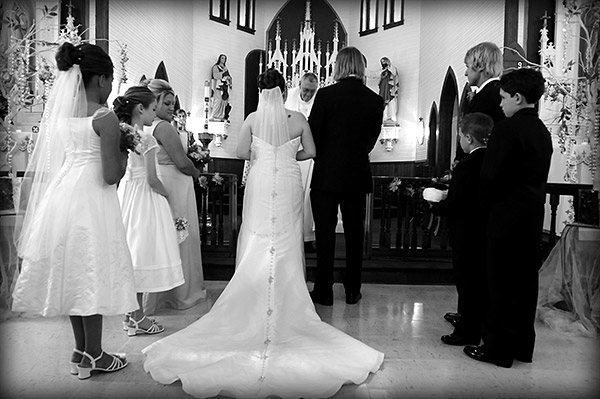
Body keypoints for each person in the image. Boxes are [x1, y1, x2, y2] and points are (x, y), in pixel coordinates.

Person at [142, 69, 383, 398]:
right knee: (285, 235)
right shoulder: (297, 118)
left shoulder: (253, 118)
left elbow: (242, 153)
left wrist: (264, 153)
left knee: (258, 234)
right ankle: (290, 291)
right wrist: (287, 155)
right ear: (284, 90)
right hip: (287, 178)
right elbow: (311, 152)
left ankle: (250, 285)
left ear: (260, 91)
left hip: (261, 179)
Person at [11, 42, 137, 379]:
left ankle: (81, 351)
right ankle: (95, 354)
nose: (112, 87)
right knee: (90, 272)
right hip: (92, 197)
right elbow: (111, 175)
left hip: (65, 193)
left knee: (74, 272)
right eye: (111, 79)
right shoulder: (104, 117)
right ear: (100, 80)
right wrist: (125, 153)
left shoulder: (65, 116)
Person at [464, 68, 553, 368]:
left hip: (503, 218)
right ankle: (522, 347)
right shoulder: (542, 131)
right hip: (531, 218)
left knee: (498, 284)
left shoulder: (505, 129)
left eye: (503, 98)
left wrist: (484, 209)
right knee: (525, 284)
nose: (500, 104)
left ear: (517, 97)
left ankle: (497, 350)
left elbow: (490, 177)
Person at [308, 46, 384, 306]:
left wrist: (326, 159)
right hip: (356, 175)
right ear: (360, 67)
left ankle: (324, 291)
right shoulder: (375, 100)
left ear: (338, 65)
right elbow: (371, 141)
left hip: (326, 176)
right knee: (354, 235)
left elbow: (314, 134)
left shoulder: (326, 95)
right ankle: (353, 289)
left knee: (325, 235)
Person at [114, 86, 184, 336]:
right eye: (153, 109)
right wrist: (167, 197)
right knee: (144, 253)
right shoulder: (147, 139)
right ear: (140, 109)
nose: (154, 115)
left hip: (126, 195)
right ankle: (137, 317)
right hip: (145, 198)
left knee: (131, 254)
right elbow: (153, 179)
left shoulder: (122, 133)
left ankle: (130, 315)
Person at [446, 41, 506, 327]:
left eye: (468, 65)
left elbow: (484, 146)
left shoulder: (488, 98)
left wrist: (463, 166)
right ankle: (468, 311)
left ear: (479, 66)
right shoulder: (490, 95)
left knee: (471, 259)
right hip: (478, 183)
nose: (466, 71)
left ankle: (472, 316)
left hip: (477, 189)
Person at [428, 112, 493, 346]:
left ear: (468, 137)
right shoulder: (492, 160)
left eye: (460, 137)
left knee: (467, 284)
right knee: (479, 282)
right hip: (484, 230)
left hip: (466, 232)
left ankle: (467, 332)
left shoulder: (467, 166)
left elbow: (457, 203)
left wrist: (435, 206)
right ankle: (478, 325)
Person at [142, 78, 206, 313]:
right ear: (154, 103)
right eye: (167, 103)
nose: (172, 107)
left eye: (173, 103)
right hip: (174, 184)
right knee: (181, 235)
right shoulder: (163, 127)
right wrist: (197, 171)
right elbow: (181, 161)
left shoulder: (145, 125)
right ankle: (182, 295)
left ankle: (158, 298)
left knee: (164, 237)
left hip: (162, 181)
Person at [285, 71, 319, 253]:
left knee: (308, 198)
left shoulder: (321, 100)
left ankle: (306, 237)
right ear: (299, 85)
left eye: (312, 92)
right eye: (305, 90)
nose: (307, 95)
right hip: (291, 154)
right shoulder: (287, 97)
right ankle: (288, 234)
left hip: (310, 155)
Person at [210, 54, 232, 121]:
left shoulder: (225, 68)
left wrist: (229, 79)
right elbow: (215, 75)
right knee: (218, 100)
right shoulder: (216, 67)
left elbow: (229, 77)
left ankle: (221, 115)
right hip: (218, 86)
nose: (224, 60)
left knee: (224, 101)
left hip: (225, 87)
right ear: (219, 59)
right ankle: (214, 115)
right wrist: (223, 73)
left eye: (225, 58)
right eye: (222, 58)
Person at [378, 56, 400, 123]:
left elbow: (394, 72)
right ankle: (384, 119)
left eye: (385, 62)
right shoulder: (382, 72)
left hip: (390, 91)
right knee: (383, 104)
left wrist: (389, 66)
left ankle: (392, 118)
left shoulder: (392, 69)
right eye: (382, 63)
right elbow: (373, 74)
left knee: (392, 103)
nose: (383, 64)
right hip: (383, 91)